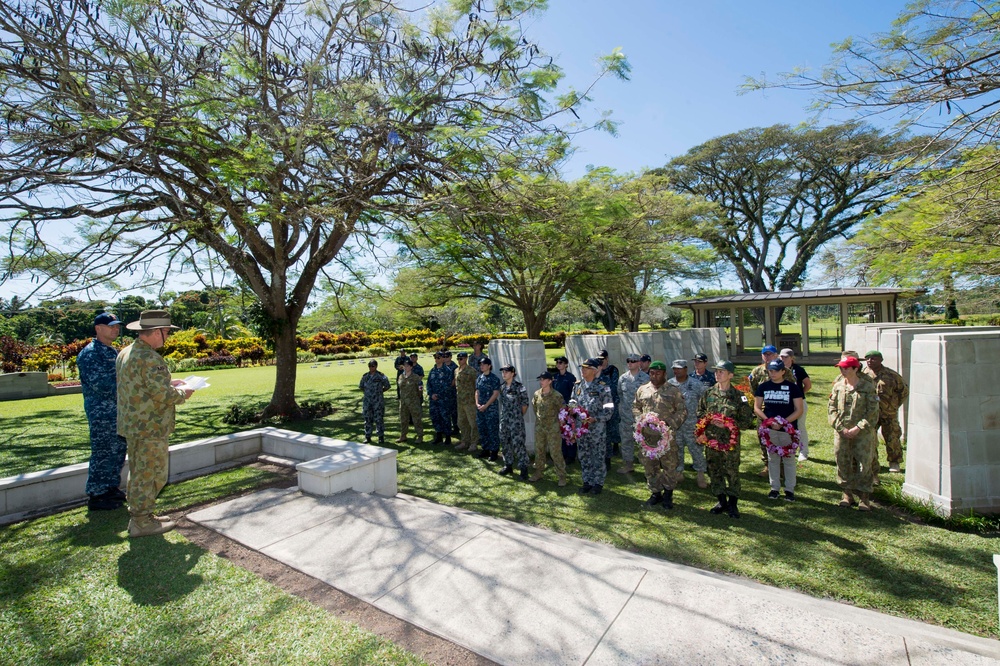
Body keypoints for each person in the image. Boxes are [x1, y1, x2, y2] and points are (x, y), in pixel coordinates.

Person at [116, 310, 193, 537]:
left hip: (134, 425)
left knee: (140, 471)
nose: (167, 336)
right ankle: (141, 521)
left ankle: (143, 515)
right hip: (150, 426)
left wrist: (171, 381)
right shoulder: (149, 357)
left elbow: (141, 384)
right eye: (166, 332)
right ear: (156, 332)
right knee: (151, 474)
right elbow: (163, 395)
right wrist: (183, 393)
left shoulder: (127, 352)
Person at [77, 312, 127, 511]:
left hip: (117, 412)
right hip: (102, 414)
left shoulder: (110, 351)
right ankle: (97, 494)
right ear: (98, 329)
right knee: (103, 452)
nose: (116, 329)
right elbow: (104, 385)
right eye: (111, 326)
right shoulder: (91, 353)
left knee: (117, 450)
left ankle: (110, 488)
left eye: (117, 326)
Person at [697, 360, 755, 518]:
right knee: (714, 470)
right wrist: (707, 421)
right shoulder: (708, 393)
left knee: (731, 472)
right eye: (716, 371)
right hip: (712, 441)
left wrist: (729, 424)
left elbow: (746, 420)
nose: (717, 374)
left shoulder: (739, 397)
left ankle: (733, 504)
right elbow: (700, 412)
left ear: (730, 375)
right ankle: (721, 501)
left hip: (730, 443)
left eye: (721, 371)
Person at [633, 361, 687, 510]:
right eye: (651, 373)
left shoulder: (673, 391)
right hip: (648, 437)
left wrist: (668, 423)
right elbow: (636, 407)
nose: (654, 376)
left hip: (666, 437)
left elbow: (682, 411)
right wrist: (641, 420)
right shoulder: (642, 390)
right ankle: (655, 492)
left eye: (657, 373)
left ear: (664, 374)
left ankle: (668, 494)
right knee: (650, 466)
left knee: (669, 466)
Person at [829, 356, 880, 511]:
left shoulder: (867, 386)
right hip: (842, 432)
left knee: (864, 463)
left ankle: (864, 497)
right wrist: (840, 428)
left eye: (845, 368)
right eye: (840, 368)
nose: (842, 371)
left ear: (855, 368)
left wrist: (858, 427)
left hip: (862, 433)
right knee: (842, 461)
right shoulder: (838, 386)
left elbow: (872, 411)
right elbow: (831, 409)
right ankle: (847, 494)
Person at [754, 359, 804, 502]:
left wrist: (784, 423)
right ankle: (774, 488)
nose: (773, 373)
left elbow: (799, 409)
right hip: (770, 430)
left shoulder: (792, 387)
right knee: (773, 460)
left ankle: (789, 490)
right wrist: (768, 421)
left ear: (783, 371)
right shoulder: (763, 387)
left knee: (788, 460)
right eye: (771, 370)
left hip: (788, 430)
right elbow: (757, 407)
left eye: (776, 370)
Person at [748, 345, 796, 476]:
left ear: (776, 355)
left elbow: (793, 388)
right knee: (764, 439)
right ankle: (768, 466)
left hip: (782, 411)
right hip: (764, 412)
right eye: (765, 354)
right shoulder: (757, 372)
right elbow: (754, 390)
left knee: (783, 438)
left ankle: (783, 466)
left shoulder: (785, 371)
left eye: (770, 354)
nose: (767, 356)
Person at [570, 358, 614, 495]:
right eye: (582, 368)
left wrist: (596, 418)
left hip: (597, 429)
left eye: (586, 368)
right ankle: (587, 481)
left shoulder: (603, 387)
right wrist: (571, 409)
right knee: (584, 455)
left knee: (598, 456)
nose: (583, 371)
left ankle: (598, 483)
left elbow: (609, 409)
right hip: (581, 428)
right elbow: (572, 401)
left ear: (594, 371)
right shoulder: (577, 386)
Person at [863, 350, 909, 474]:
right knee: (870, 438)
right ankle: (873, 462)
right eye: (867, 359)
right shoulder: (863, 375)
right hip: (871, 413)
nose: (869, 361)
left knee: (892, 437)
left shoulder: (891, 375)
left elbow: (903, 391)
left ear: (881, 360)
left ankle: (894, 462)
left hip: (889, 413)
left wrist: (894, 405)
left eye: (873, 359)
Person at [668, 359, 708, 488]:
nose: (677, 371)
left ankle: (701, 474)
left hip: (692, 425)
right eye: (675, 368)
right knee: (676, 450)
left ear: (686, 369)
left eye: (680, 368)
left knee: (696, 450)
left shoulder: (696, 384)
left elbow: (704, 403)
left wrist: (702, 423)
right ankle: (679, 472)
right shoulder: (669, 384)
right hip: (676, 426)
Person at [530, 371, 567, 485]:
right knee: (539, 450)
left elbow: (563, 411)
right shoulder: (537, 394)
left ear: (550, 381)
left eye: (543, 379)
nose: (541, 382)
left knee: (555, 452)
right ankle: (539, 472)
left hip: (553, 428)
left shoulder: (557, 396)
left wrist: (560, 422)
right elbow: (535, 408)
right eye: (540, 379)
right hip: (540, 427)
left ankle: (561, 476)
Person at [617, 354, 650, 474]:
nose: (630, 363)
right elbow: (620, 394)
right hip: (626, 416)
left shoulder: (646, 378)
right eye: (628, 361)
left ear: (639, 363)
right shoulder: (623, 378)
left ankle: (648, 466)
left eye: (633, 361)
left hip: (641, 417)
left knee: (644, 442)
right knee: (626, 441)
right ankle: (628, 465)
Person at [497, 364, 530, 479]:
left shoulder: (520, 387)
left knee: (518, 444)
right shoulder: (502, 387)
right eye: (503, 372)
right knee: (505, 442)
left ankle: (523, 468)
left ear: (512, 373)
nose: (504, 374)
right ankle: (508, 464)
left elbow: (525, 404)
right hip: (504, 420)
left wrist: (517, 416)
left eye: (506, 371)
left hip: (516, 421)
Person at [780, 348, 812, 461]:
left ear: (792, 358)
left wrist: (798, 395)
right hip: (784, 403)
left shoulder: (798, 370)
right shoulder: (778, 370)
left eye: (785, 357)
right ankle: (787, 449)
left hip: (798, 403)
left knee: (800, 426)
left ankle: (803, 451)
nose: (783, 359)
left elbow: (808, 385)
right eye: (781, 357)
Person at [475, 357, 502, 461]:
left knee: (492, 430)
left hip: (490, 409)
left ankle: (494, 451)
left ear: (489, 366)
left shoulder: (494, 378)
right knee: (482, 429)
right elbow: (477, 391)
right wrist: (477, 404)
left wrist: (486, 406)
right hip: (480, 409)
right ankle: (485, 449)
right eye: (480, 364)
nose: (481, 366)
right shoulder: (479, 378)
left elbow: (495, 394)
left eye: (483, 364)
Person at [552, 356, 578, 464]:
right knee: (561, 432)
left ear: (566, 364)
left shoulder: (571, 377)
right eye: (557, 362)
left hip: (567, 409)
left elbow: (573, 395)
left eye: (561, 362)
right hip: (557, 409)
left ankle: (571, 455)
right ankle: (563, 453)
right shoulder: (556, 377)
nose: (558, 364)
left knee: (569, 431)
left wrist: (571, 410)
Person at [598, 349, 621, 469]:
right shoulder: (598, 370)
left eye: (603, 359)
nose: (601, 362)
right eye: (599, 359)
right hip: (601, 404)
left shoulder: (612, 370)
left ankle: (616, 445)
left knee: (614, 425)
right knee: (605, 429)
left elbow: (613, 386)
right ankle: (608, 454)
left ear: (607, 359)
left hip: (612, 402)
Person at [453, 352, 480, 453]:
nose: (460, 361)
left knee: (473, 423)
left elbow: (476, 386)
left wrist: (476, 399)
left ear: (466, 359)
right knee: (461, 422)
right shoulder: (456, 370)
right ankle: (465, 441)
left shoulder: (471, 371)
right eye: (458, 359)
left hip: (470, 401)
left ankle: (474, 443)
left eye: (462, 359)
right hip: (460, 401)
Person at [359, 359, 391, 445]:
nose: (371, 367)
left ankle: (380, 437)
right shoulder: (365, 376)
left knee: (378, 419)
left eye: (372, 366)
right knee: (367, 419)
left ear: (376, 366)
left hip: (378, 401)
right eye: (369, 366)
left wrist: (379, 392)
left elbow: (387, 386)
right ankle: (368, 436)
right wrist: (368, 393)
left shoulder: (381, 376)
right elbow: (361, 386)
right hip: (367, 401)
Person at [427, 351, 455, 446]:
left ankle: (447, 437)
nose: (436, 359)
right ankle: (438, 436)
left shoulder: (447, 371)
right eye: (435, 357)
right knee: (435, 417)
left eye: (438, 357)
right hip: (433, 400)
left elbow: (448, 385)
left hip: (444, 399)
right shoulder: (432, 370)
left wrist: (438, 395)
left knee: (445, 418)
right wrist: (431, 394)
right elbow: (428, 384)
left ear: (443, 358)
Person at [397, 359, 424, 443]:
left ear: (411, 367)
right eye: (404, 365)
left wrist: (419, 396)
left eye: (408, 365)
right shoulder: (401, 376)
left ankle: (420, 436)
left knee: (416, 419)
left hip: (413, 401)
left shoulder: (416, 377)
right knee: (403, 419)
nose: (406, 367)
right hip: (403, 402)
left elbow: (420, 388)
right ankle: (403, 435)